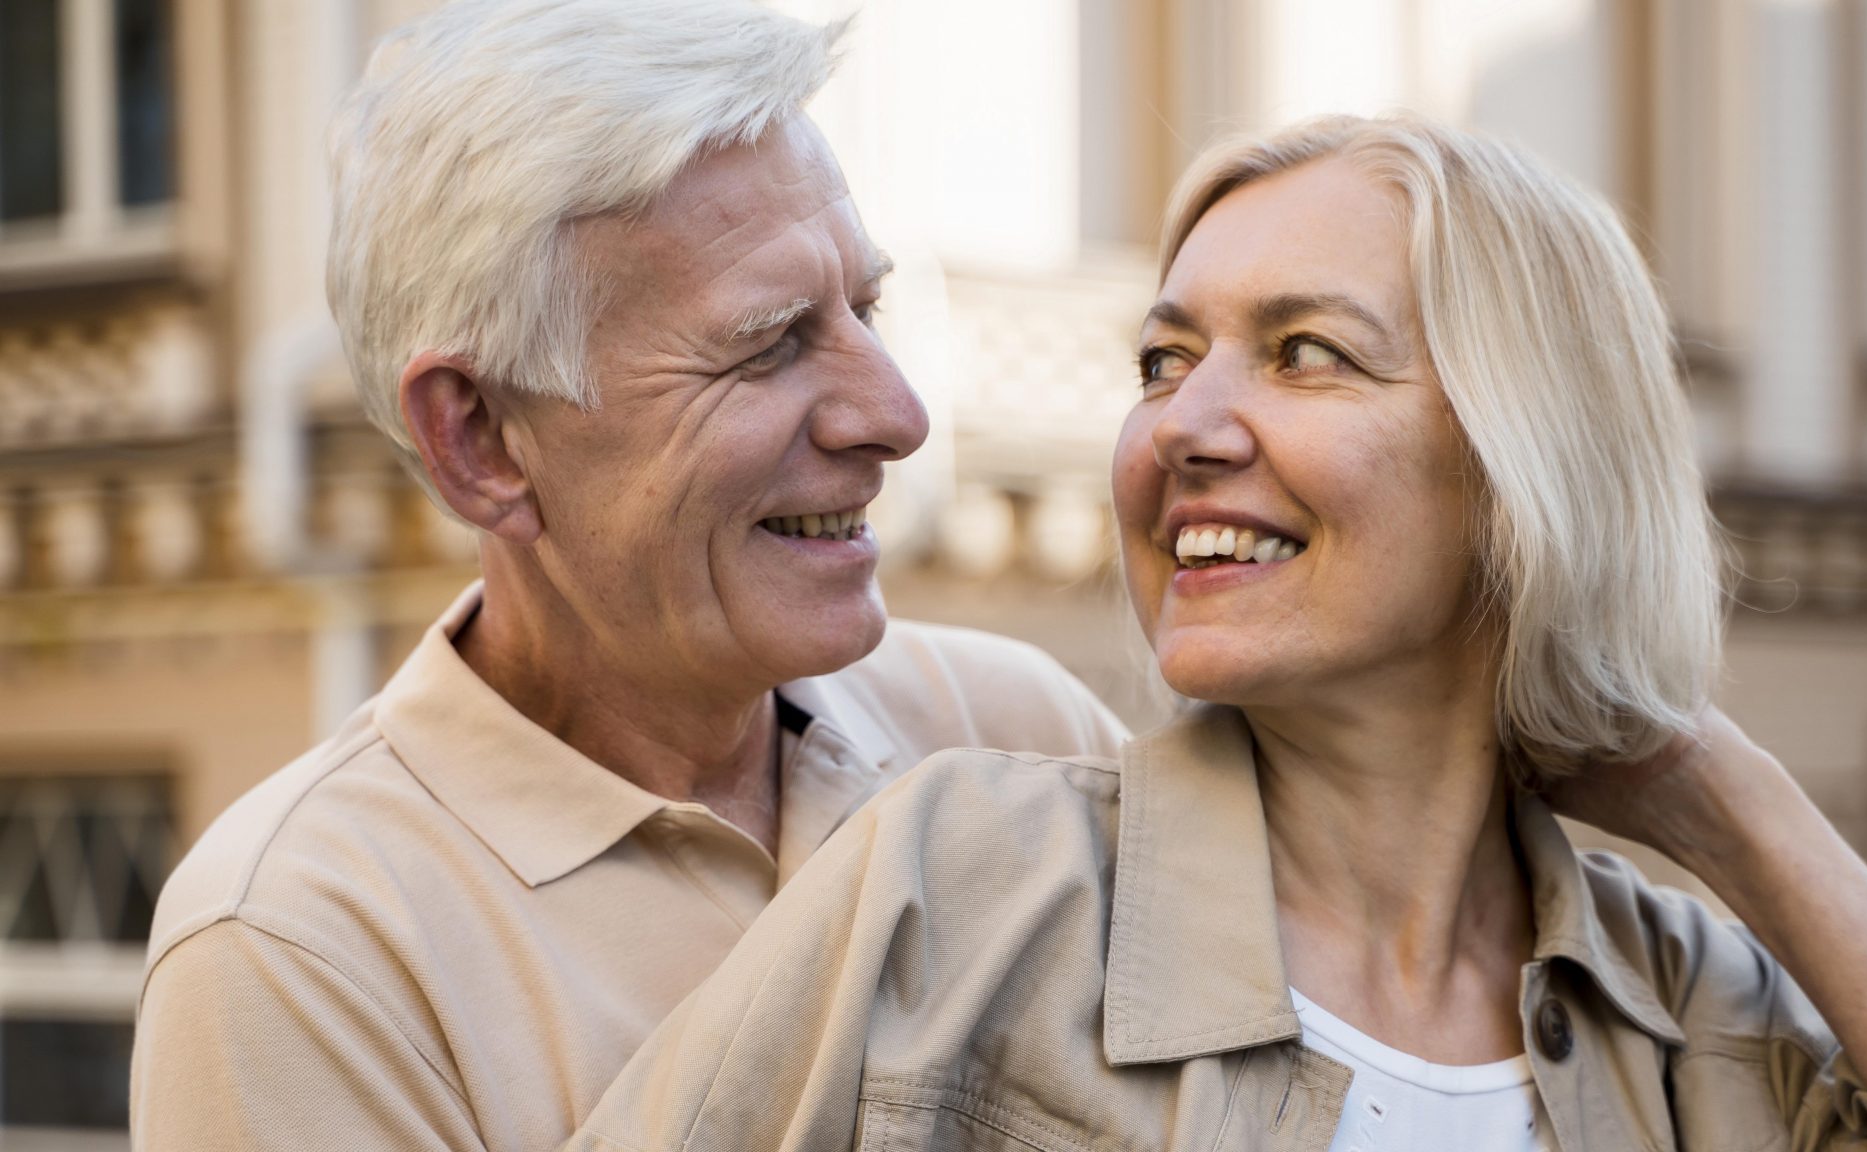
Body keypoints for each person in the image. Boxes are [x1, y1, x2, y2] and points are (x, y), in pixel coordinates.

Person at [562, 117, 1867, 1152]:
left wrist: (1726, 800)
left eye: (1304, 354)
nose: (1185, 426)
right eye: (1164, 358)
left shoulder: (1688, 1005)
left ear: (1523, 460)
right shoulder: (959, 887)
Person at [127, 3, 1127, 1148]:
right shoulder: (300, 949)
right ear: (479, 441)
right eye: (767, 343)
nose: (895, 417)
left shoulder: (1020, 737)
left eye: (868, 305)